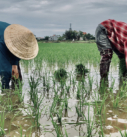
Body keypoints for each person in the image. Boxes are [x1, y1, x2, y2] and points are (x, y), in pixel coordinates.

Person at [0, 21, 38, 90]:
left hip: (5, 40)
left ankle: (17, 88)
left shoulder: (16, 34)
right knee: (6, 71)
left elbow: (16, 51)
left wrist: (15, 65)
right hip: (2, 42)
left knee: (16, 71)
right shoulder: (2, 43)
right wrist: (6, 92)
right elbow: (4, 70)